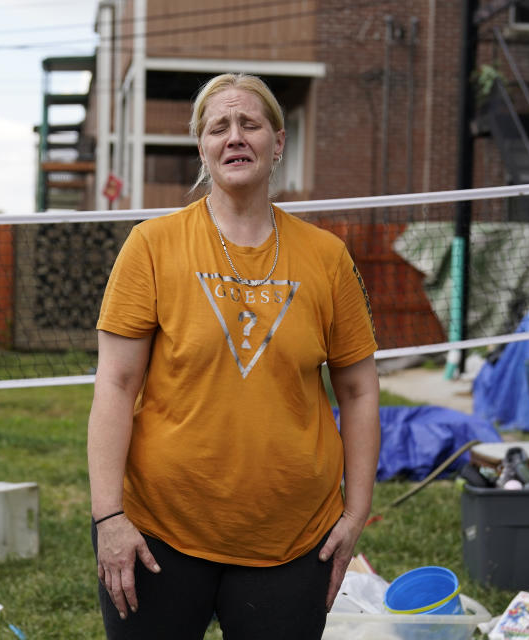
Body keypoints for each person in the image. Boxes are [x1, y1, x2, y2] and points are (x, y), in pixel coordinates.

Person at [87, 72, 380, 640]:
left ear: (279, 141)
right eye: (218, 127)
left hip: (295, 541)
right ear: (202, 146)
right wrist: (109, 518)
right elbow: (116, 385)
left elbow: (360, 390)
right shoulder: (152, 245)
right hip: (157, 535)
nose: (235, 137)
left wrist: (355, 512)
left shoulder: (328, 258)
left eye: (250, 123)